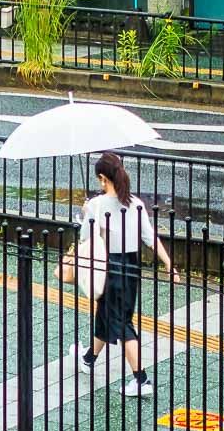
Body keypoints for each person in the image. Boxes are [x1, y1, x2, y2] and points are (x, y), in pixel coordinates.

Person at [61, 152, 176, 398]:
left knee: (122, 323)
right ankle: (88, 358)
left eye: (99, 179)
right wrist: (168, 263)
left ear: (103, 178)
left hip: (108, 267)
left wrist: (86, 214)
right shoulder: (134, 203)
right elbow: (149, 237)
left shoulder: (97, 205)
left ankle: (141, 379)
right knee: (108, 315)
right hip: (131, 267)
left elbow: (85, 240)